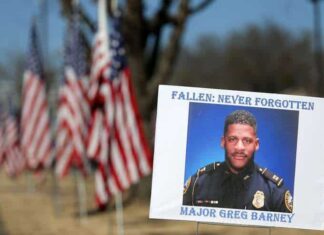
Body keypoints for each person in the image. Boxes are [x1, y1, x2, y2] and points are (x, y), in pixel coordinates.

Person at [183, 110, 293, 212]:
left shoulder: (274, 191)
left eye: (247, 140)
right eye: (232, 139)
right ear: (223, 142)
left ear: (256, 144)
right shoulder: (197, 184)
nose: (239, 147)